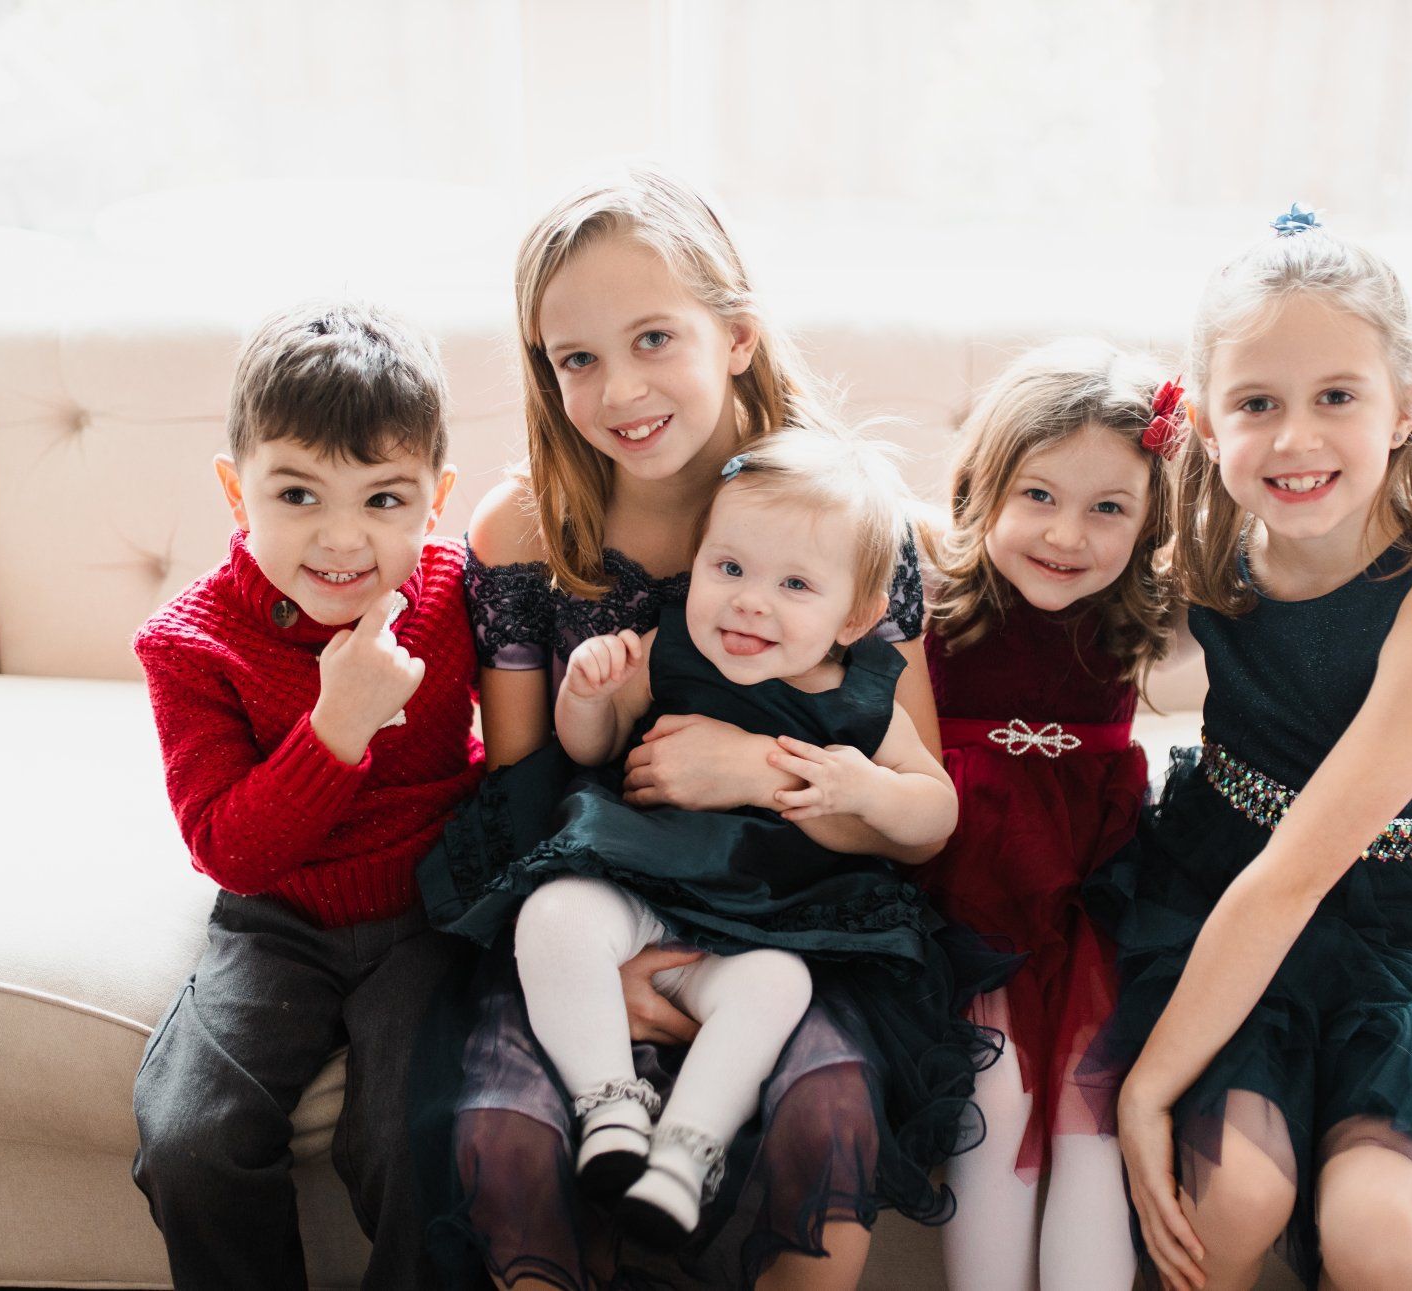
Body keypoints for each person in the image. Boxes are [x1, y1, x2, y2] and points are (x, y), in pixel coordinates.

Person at [409, 168, 945, 1291]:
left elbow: (912, 819)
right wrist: (628, 967)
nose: (620, 389)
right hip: (596, 883)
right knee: (510, 1133)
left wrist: (755, 766)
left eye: (655, 337)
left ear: (736, 336)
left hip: (800, 905)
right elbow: (523, 789)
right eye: (579, 358)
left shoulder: (830, 518)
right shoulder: (525, 526)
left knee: (829, 1110)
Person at [1086, 212, 1412, 1291]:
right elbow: (1030, 544)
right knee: (1237, 1194)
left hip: (1403, 924)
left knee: (1384, 1235)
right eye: (1257, 404)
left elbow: (1297, 876)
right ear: (1202, 420)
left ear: (1405, 406)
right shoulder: (1211, 536)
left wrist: (1145, 1090)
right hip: (1221, 873)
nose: (1295, 440)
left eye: (1338, 396)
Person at [428, 427, 1000, 1259]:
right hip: (641, 885)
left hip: (771, 921)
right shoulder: (674, 648)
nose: (749, 601)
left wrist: (866, 789)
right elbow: (591, 748)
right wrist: (589, 692)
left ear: (857, 616)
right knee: (553, 913)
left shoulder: (866, 704)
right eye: (728, 568)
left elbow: (934, 813)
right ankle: (609, 1105)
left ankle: (685, 1151)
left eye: (794, 583)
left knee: (777, 989)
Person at [130, 300, 479, 1290]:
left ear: (434, 500)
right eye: (297, 494)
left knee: (417, 1134)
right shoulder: (188, 643)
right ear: (237, 492)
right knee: (189, 1134)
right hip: (275, 917)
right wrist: (339, 726)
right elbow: (228, 847)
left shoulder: (459, 593)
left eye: (383, 500)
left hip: (428, 914)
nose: (341, 539)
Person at [918, 339, 1181, 1291]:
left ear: (1151, 522)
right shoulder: (927, 579)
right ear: (983, 484)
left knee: (1092, 1118)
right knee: (992, 1104)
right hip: (968, 877)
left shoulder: (1146, 600)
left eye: (1108, 508)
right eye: (1037, 495)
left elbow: (1280, 562)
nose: (1068, 536)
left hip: (1094, 880)